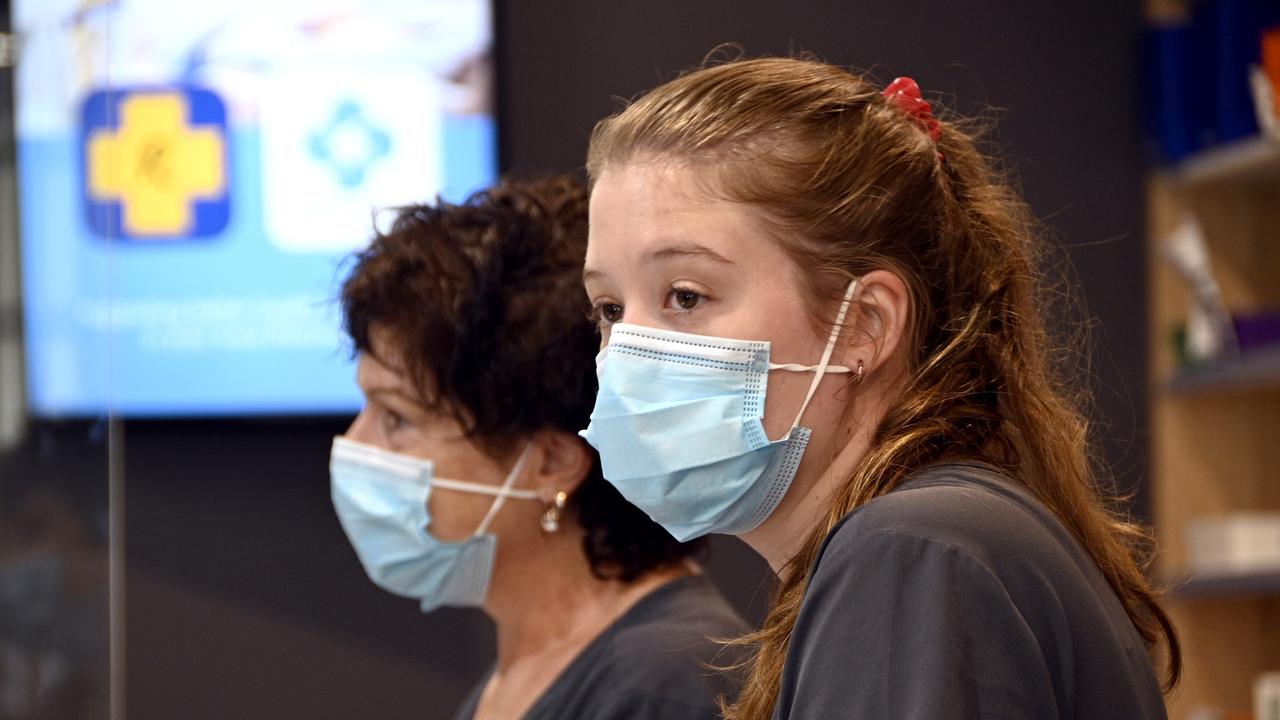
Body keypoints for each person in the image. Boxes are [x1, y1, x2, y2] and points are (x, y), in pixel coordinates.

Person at [579, 57, 1180, 719]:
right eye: (609, 309)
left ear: (865, 324)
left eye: (686, 296)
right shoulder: (930, 540)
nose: (628, 352)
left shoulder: (909, 555)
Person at [332, 177, 747, 720]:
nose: (354, 444)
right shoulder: (532, 666)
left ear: (551, 462)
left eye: (396, 418)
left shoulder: (662, 690)